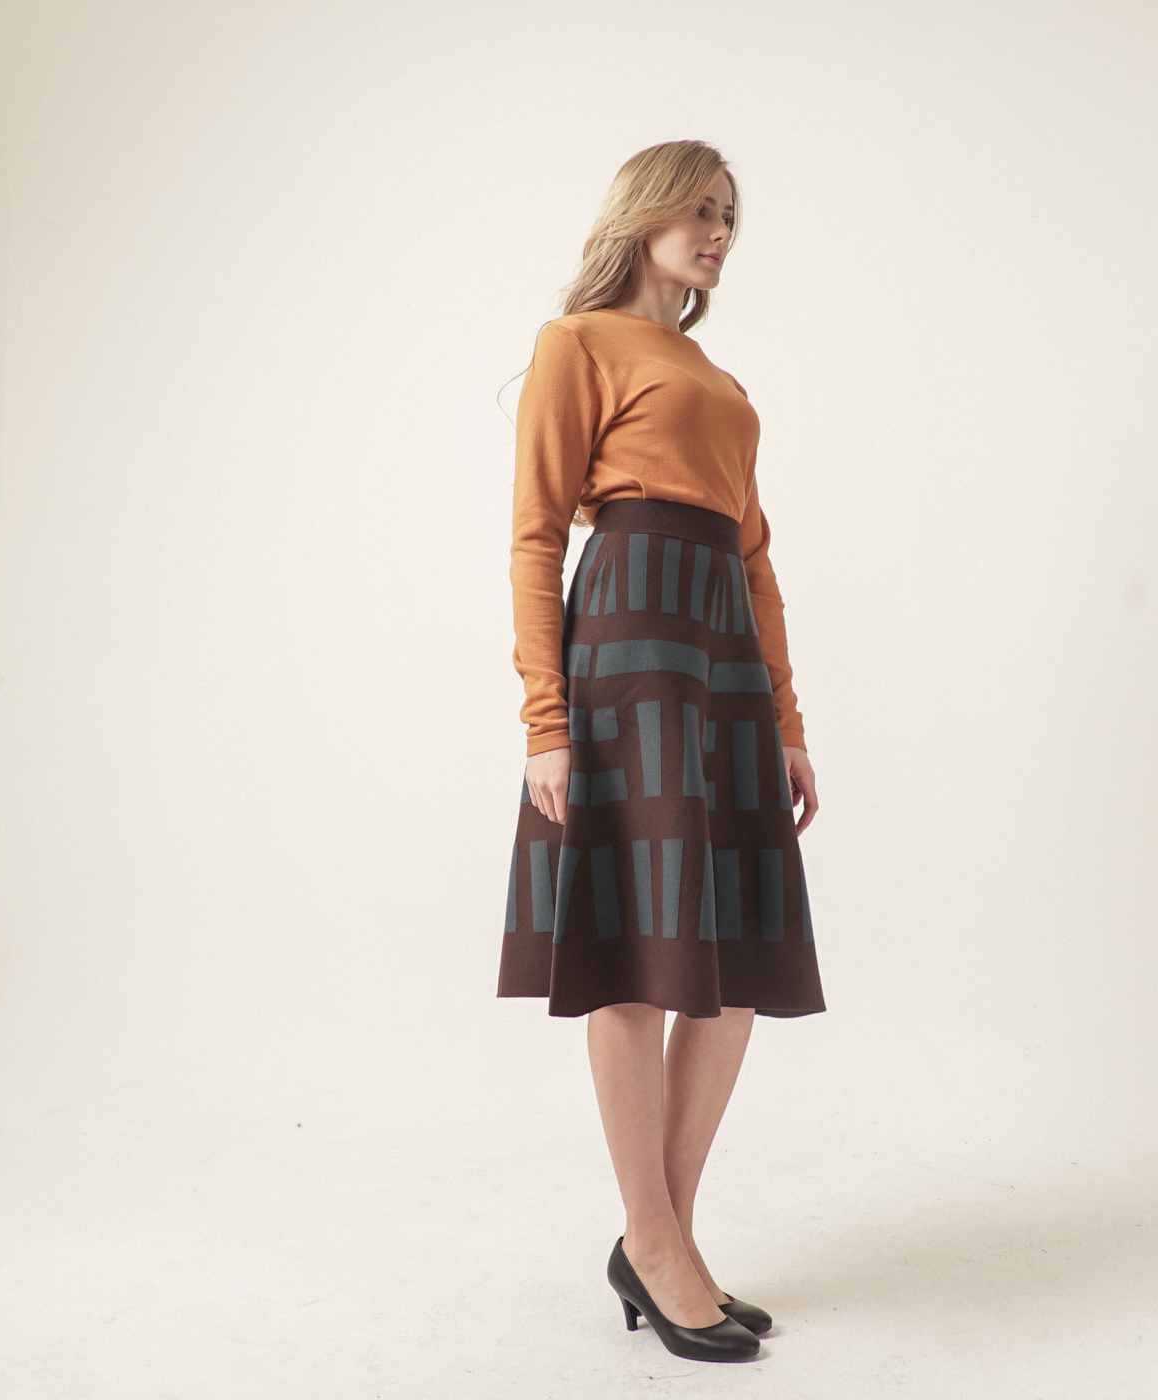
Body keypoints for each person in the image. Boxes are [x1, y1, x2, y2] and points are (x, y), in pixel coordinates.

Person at [497, 139, 826, 1363]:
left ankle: (659, 1237)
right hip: (628, 646)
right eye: (700, 210)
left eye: (731, 215)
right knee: (636, 960)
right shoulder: (576, 343)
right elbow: (535, 535)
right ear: (643, 216)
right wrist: (545, 720)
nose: (720, 232)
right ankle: (655, 1235)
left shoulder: (718, 380)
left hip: (719, 655)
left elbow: (756, 557)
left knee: (729, 972)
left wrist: (786, 721)